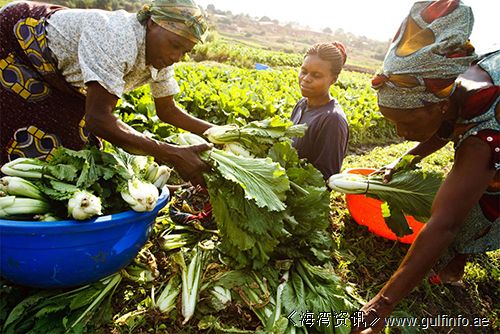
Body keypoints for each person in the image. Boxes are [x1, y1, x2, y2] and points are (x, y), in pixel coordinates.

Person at [351, 0, 499, 332]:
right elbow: (445, 128)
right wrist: (402, 160)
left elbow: (444, 223)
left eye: (407, 123)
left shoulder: (480, 136)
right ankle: (456, 260)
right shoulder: (449, 93)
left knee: (484, 198)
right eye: (395, 125)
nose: (401, 134)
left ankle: (455, 267)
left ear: (439, 107)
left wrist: (381, 304)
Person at [0, 0, 213, 186]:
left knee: (73, 148)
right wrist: (172, 154)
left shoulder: (162, 57)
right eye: (174, 45)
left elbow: (167, 110)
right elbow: (99, 119)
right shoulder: (117, 37)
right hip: (17, 43)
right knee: (20, 138)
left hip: (60, 75)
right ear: (151, 24)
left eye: (185, 51)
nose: (176, 56)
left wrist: (223, 135)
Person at [290, 41, 350, 179]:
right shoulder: (301, 105)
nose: (306, 79)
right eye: (303, 71)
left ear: (333, 80)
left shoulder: (332, 120)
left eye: (316, 76)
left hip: (301, 198)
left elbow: (325, 179)